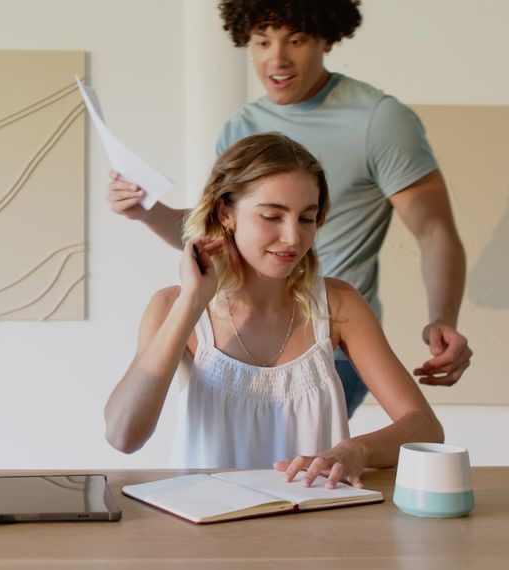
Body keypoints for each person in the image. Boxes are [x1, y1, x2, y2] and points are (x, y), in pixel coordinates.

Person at [107, 0, 471, 417]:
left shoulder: (379, 120)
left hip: (331, 337)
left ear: (325, 39)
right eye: (262, 41)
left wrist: (443, 318)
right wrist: (145, 210)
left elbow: (434, 231)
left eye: (295, 40)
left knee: (295, 467)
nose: (276, 58)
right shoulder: (240, 126)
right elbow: (216, 233)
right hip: (240, 331)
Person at [104, 133, 443, 487]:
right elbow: (123, 435)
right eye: (271, 216)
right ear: (226, 212)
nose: (293, 238)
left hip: (312, 528)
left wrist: (357, 450)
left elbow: (425, 428)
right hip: (205, 532)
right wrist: (192, 300)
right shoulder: (172, 306)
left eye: (307, 219)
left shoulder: (339, 304)